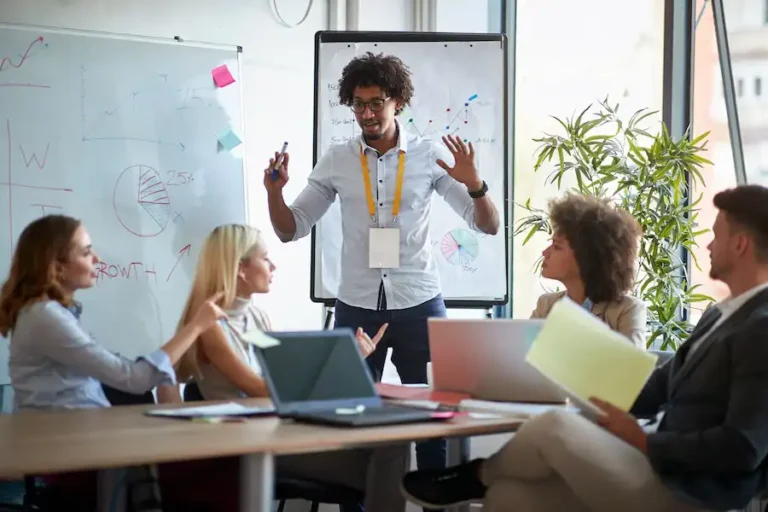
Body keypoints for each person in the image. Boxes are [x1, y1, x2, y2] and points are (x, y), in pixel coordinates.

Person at [400, 184, 768, 512]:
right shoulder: (719, 316)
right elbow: (652, 390)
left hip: (691, 492)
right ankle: (476, 479)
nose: (708, 244)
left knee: (555, 427)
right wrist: (576, 362)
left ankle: (472, 475)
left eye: (717, 236)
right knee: (510, 497)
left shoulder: (761, 327)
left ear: (741, 244)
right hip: (659, 466)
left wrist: (642, 439)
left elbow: (742, 449)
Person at [263, 51, 501, 481]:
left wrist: (476, 185)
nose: (366, 114)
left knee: (433, 419)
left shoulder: (428, 156)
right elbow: (290, 229)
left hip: (419, 301)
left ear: (397, 102)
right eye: (358, 104)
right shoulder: (337, 159)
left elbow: (487, 225)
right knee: (348, 417)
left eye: (375, 103)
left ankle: (434, 504)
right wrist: (274, 193)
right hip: (355, 303)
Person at [157, 224, 409, 512]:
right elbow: (262, 389)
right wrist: (340, 369)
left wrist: (351, 360)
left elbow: (282, 377)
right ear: (241, 269)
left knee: (391, 446)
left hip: (274, 432)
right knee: (383, 459)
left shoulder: (256, 318)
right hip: (246, 444)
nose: (273, 266)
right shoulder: (211, 324)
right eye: (265, 258)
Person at [0, 214, 226, 509]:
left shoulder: (50, 313)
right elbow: (137, 379)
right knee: (208, 471)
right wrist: (196, 326)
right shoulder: (46, 317)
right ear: (56, 267)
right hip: (71, 456)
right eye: (85, 252)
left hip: (78, 443)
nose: (97, 258)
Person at [532, 193, 646, 346]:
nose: (545, 253)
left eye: (557, 246)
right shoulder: (545, 305)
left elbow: (633, 368)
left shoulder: (627, 310)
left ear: (586, 257)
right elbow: (523, 360)